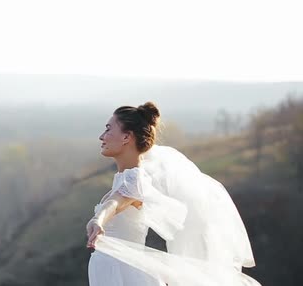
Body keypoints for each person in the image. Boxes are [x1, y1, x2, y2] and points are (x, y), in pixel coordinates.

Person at [86, 102, 261, 286]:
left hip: (124, 274)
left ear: (126, 137)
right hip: (115, 269)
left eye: (108, 129)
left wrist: (99, 219)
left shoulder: (135, 181)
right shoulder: (124, 179)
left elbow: (116, 202)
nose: (102, 136)